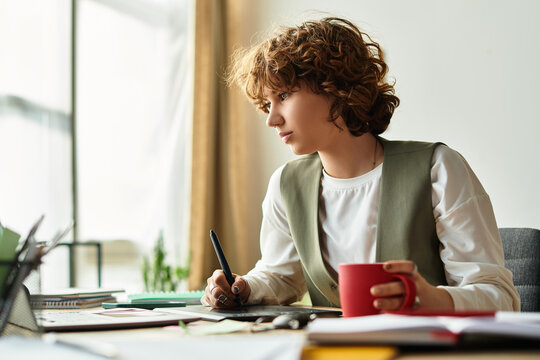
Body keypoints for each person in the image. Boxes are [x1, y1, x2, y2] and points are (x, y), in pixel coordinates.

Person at [202, 17, 520, 312]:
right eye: (267, 103)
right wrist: (243, 287)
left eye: (283, 94)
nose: (272, 118)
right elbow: (281, 275)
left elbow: (501, 298)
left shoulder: (439, 169)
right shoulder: (285, 185)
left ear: (336, 88)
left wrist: (433, 298)